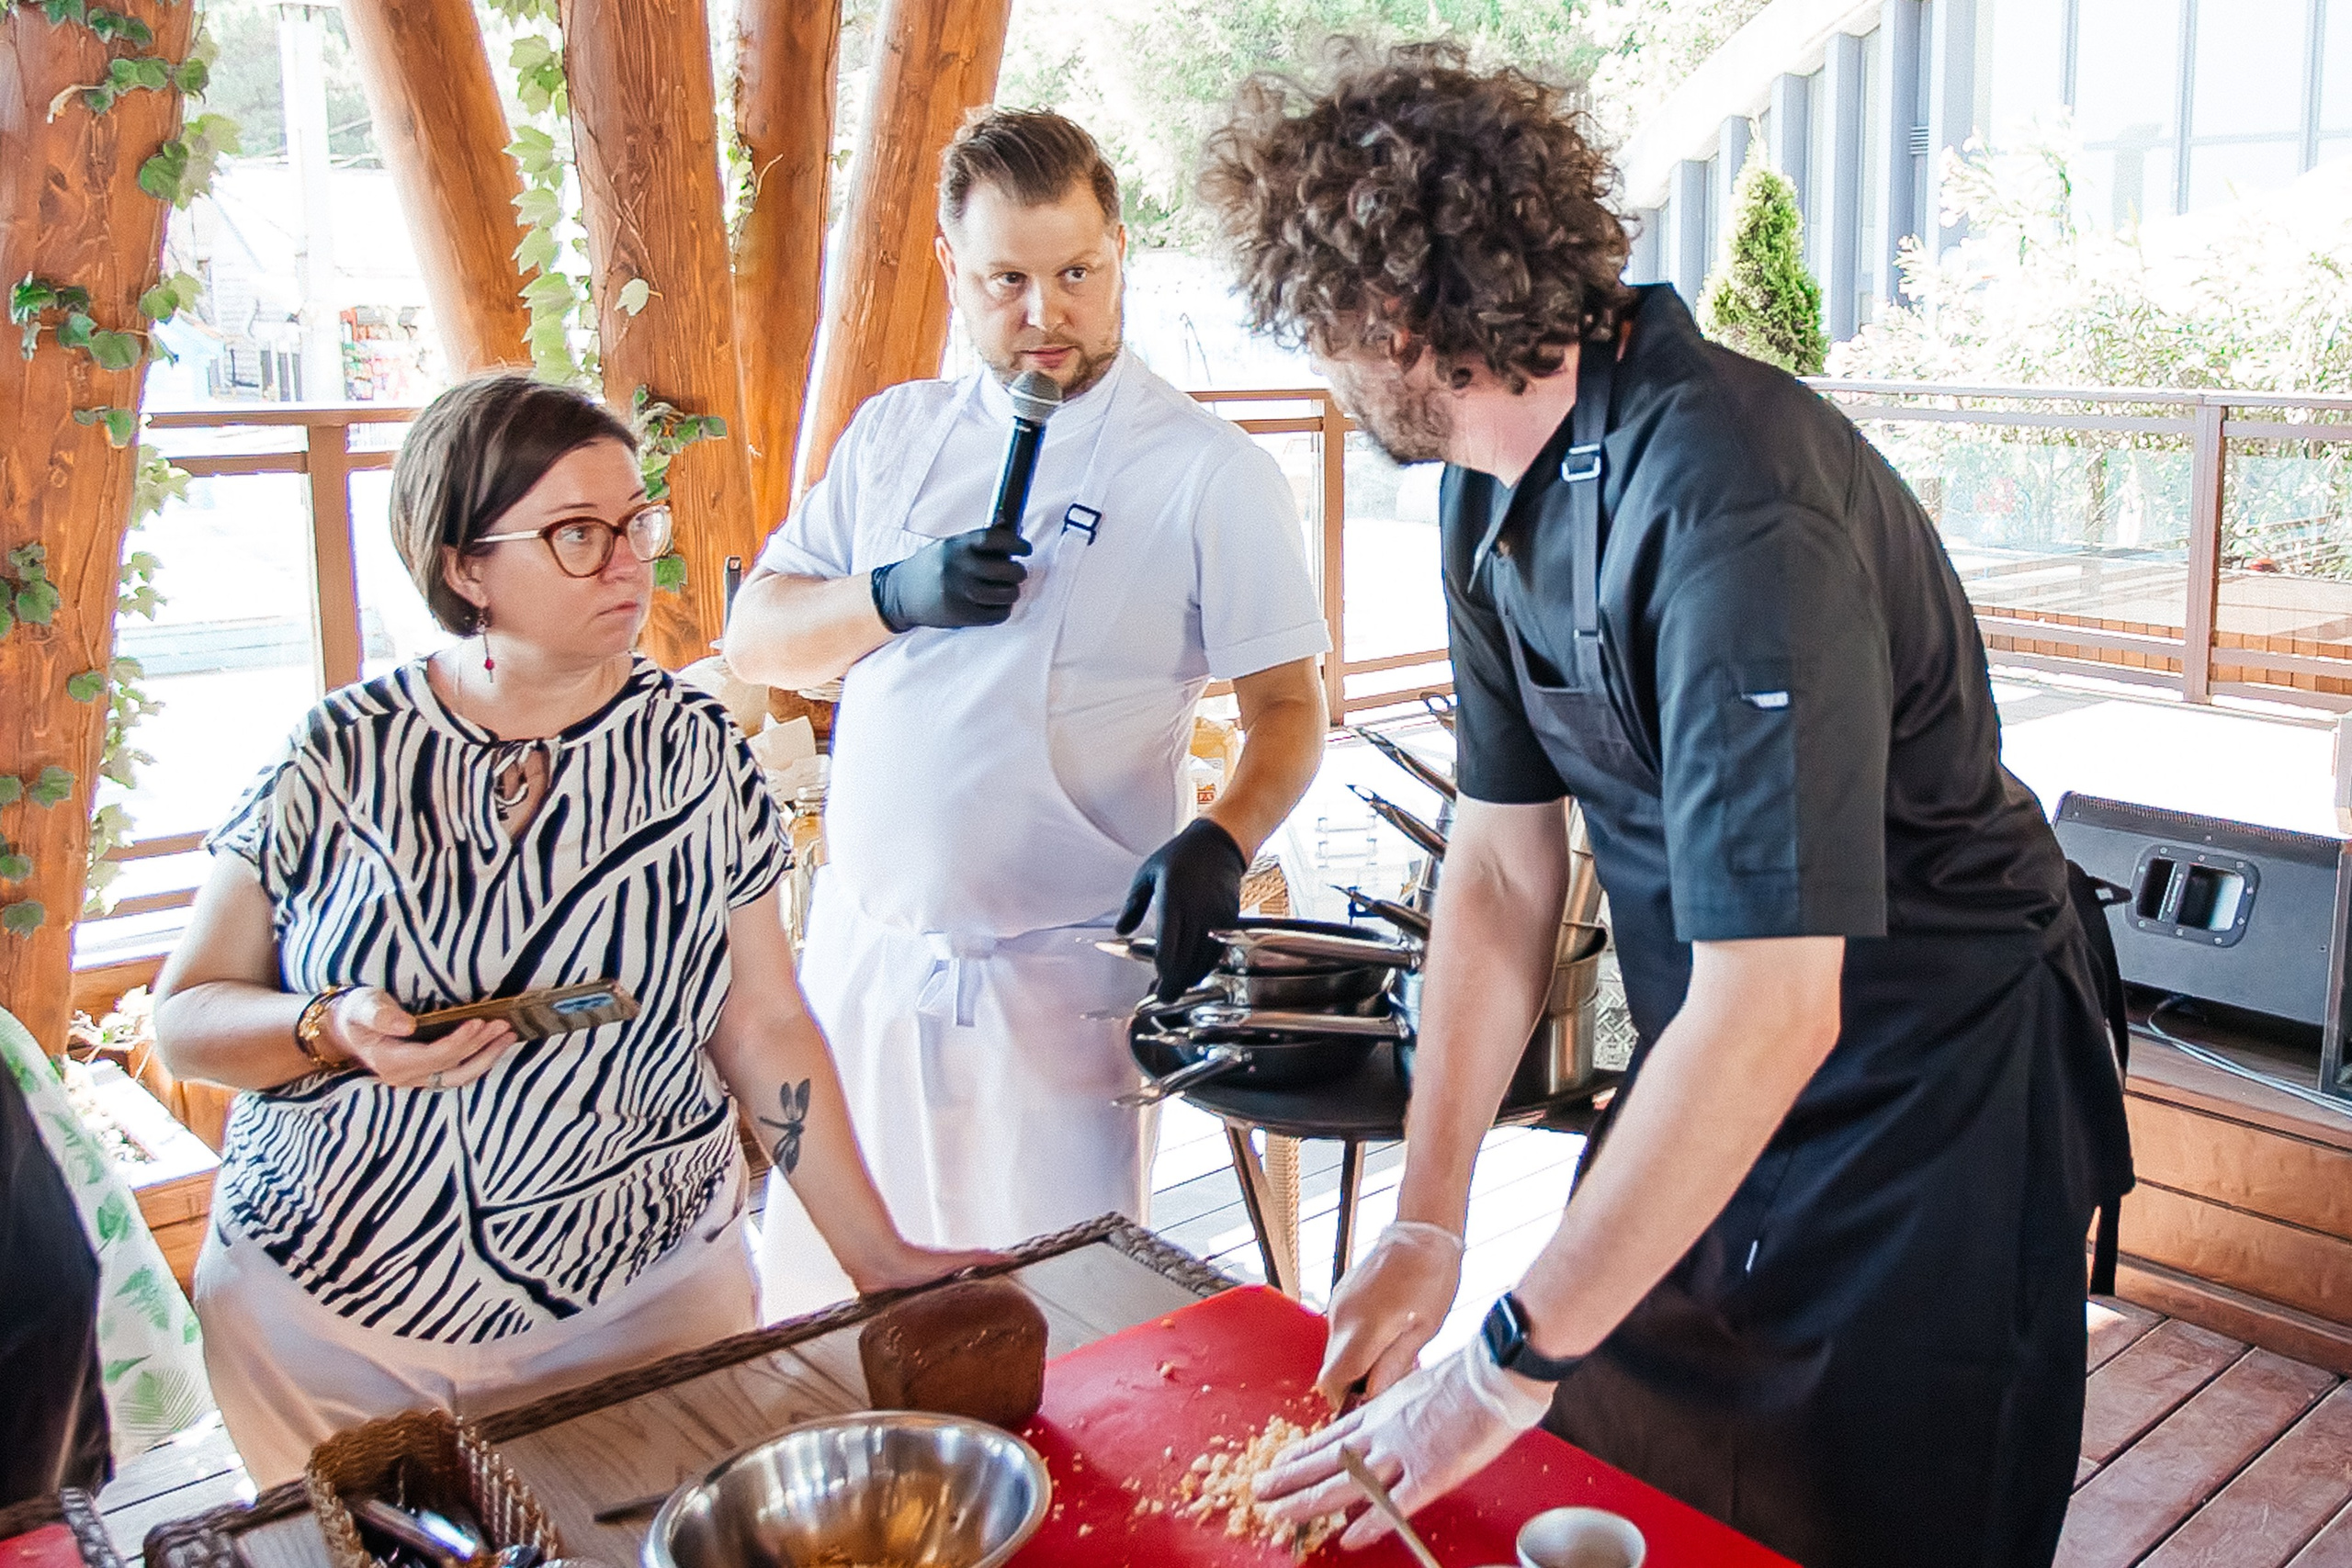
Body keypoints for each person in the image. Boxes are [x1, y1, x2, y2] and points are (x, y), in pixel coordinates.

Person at [1198, 45, 2134, 1568]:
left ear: (1390, 319)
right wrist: (1430, 1221)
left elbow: (1780, 1004)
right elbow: (1502, 868)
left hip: (1928, 1089)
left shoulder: (1729, 509)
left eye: (1318, 331)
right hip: (1724, 1048)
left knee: (1875, 1515)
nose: (1323, 367)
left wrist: (1495, 1363)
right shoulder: (1485, 483)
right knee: (1640, 1477)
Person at [153, 374, 988, 1485]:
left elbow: (764, 1025)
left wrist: (874, 1255)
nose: (631, 560)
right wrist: (328, 1027)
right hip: (333, 1331)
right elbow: (188, 1021)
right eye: (578, 535)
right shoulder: (340, 751)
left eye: (637, 522)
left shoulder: (698, 752)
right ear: (464, 567)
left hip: (644, 1315)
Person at [725, 109, 1329, 1300]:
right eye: (1008, 279)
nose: (1045, 314)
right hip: (864, 971)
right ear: (952, 267)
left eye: (1076, 273)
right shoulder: (895, 435)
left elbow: (1290, 708)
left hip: (1055, 992)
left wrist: (1221, 836)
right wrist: (894, 592)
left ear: (1119, 255)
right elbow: (759, 634)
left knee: (1060, 1325)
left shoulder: (1207, 469)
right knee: (827, 1321)